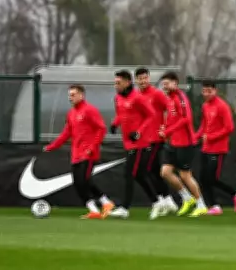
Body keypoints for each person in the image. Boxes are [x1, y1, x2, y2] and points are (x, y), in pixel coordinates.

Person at [44, 84, 115, 219]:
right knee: (78, 183)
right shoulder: (71, 113)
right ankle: (94, 210)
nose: (70, 98)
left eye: (73, 95)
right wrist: (52, 146)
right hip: (76, 154)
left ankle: (106, 202)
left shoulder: (90, 110)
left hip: (88, 154)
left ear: (81, 95)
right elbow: (66, 133)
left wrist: (91, 148)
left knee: (85, 180)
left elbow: (101, 129)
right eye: (69, 95)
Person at [108, 70, 159, 219]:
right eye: (115, 83)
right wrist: (115, 124)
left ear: (127, 82)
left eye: (118, 83)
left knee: (129, 174)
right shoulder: (118, 98)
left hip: (139, 143)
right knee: (139, 175)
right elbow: (121, 114)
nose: (116, 86)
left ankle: (125, 208)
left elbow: (151, 115)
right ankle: (156, 201)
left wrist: (139, 132)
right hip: (128, 143)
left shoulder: (137, 97)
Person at [158, 71, 207, 218]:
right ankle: (187, 198)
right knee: (165, 172)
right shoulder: (169, 98)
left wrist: (168, 131)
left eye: (167, 84)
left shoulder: (181, 97)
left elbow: (186, 119)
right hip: (173, 143)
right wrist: (164, 128)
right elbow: (171, 117)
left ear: (175, 83)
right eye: (163, 84)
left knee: (185, 176)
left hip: (185, 143)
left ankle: (201, 205)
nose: (165, 87)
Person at [135, 67, 178, 218]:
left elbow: (170, 109)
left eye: (145, 78)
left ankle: (160, 200)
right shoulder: (137, 96)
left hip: (155, 139)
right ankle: (168, 200)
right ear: (136, 80)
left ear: (149, 78)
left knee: (146, 170)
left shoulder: (156, 94)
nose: (143, 81)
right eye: (140, 79)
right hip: (143, 140)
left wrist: (166, 126)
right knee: (153, 172)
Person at [196, 80, 236, 215]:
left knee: (211, 179)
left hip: (218, 149)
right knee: (203, 179)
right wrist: (195, 137)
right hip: (205, 148)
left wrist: (211, 137)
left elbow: (229, 127)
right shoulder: (205, 106)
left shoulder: (222, 106)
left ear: (215, 91)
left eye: (209, 91)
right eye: (204, 91)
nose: (206, 94)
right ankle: (214, 206)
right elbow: (204, 125)